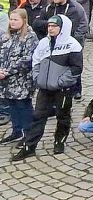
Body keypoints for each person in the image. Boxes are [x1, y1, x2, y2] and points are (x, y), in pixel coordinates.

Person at [13, 15, 83, 161]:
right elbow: (36, 61)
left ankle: (59, 142)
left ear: (62, 28)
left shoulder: (72, 44)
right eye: (49, 26)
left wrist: (61, 82)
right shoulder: (43, 42)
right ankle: (30, 147)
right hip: (44, 87)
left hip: (62, 89)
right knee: (38, 116)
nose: (50, 29)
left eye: (54, 26)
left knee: (62, 116)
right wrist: (38, 77)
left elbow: (76, 68)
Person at [0, 9, 39, 146]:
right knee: (11, 105)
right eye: (11, 19)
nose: (12, 22)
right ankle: (16, 131)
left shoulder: (30, 37)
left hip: (22, 80)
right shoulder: (6, 36)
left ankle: (28, 134)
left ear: (24, 20)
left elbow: (27, 59)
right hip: (6, 81)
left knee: (23, 106)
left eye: (16, 19)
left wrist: (7, 71)